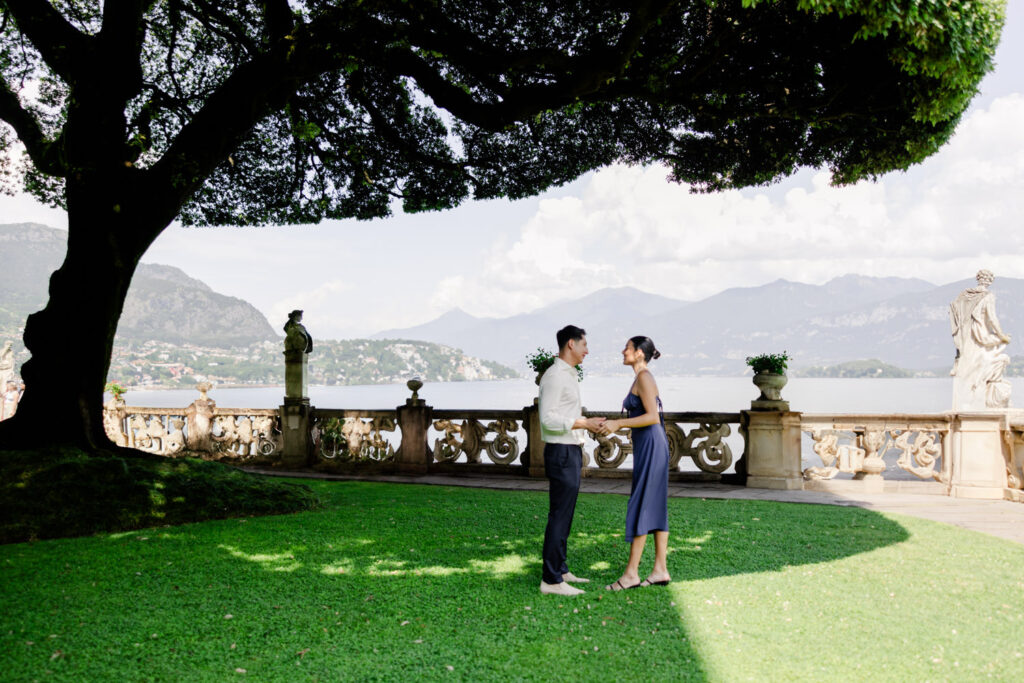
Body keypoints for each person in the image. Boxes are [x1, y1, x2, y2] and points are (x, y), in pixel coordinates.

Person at [538, 325, 606, 596]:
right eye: (584, 344)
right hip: (561, 452)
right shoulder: (555, 376)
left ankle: (561, 569)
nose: (587, 350)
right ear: (571, 344)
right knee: (559, 515)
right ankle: (551, 581)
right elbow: (548, 419)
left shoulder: (568, 374)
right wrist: (583, 422)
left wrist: (585, 424)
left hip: (570, 450)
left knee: (565, 514)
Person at [599, 336, 671, 591]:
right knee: (654, 504)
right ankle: (660, 570)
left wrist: (618, 423)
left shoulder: (644, 378)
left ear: (639, 353)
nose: (623, 351)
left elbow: (652, 417)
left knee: (642, 502)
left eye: (627, 348)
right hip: (650, 444)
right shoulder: (641, 377)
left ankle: (631, 574)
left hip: (652, 444)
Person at [949, 269, 1013, 410]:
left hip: (966, 336)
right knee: (990, 360)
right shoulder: (988, 296)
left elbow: (954, 312)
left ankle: (968, 401)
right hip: (980, 335)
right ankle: (983, 398)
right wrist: (1002, 336)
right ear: (990, 281)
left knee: (969, 366)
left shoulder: (964, 296)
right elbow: (992, 318)